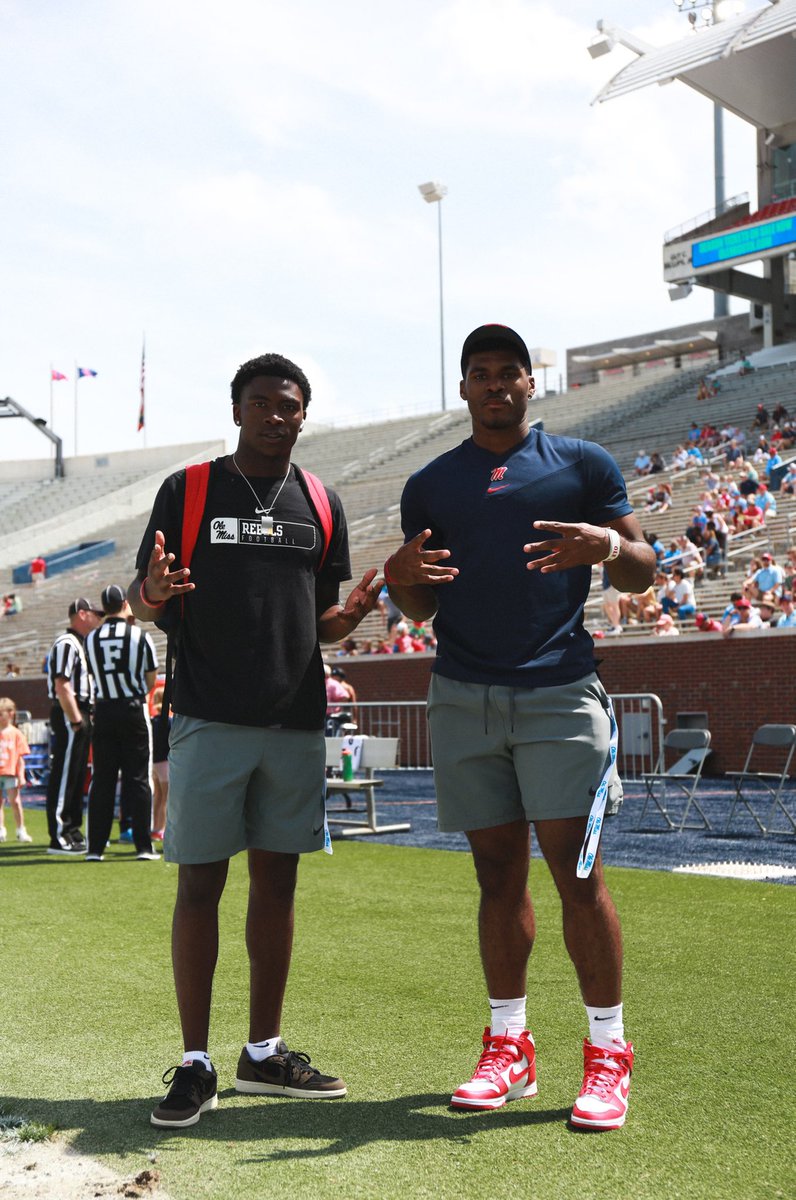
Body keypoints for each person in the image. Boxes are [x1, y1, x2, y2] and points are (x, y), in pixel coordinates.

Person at [385, 324, 655, 1131]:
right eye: (480, 373)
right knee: (497, 878)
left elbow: (644, 567)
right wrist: (399, 581)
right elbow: (421, 601)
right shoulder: (431, 484)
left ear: (531, 383)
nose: (495, 384)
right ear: (463, 389)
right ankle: (510, 1046)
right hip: (464, 694)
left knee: (577, 875)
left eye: (509, 372)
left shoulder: (580, 464)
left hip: (557, 690)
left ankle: (609, 1053)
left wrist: (606, 542)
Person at [127, 351, 381, 1129]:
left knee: (279, 886)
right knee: (199, 886)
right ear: (237, 409)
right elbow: (146, 599)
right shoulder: (190, 489)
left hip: (296, 722)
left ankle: (262, 1053)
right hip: (207, 717)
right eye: (263, 402)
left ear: (305, 415)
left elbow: (320, 623)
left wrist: (363, 609)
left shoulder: (321, 501)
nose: (278, 414)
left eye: (291, 404)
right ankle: (196, 1063)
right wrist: (154, 592)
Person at [84, 585, 159, 862]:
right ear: (125, 603)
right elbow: (151, 679)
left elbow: (92, 673)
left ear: (104, 607)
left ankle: (95, 848)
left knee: (102, 780)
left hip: (103, 710)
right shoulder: (140, 636)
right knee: (138, 778)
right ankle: (143, 846)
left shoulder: (90, 639)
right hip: (132, 709)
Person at [45, 596, 103, 855]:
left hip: (80, 713)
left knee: (77, 776)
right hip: (71, 713)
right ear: (82, 614)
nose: (98, 618)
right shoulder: (67, 643)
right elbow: (62, 684)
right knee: (66, 774)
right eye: (94, 613)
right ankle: (59, 834)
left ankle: (72, 829)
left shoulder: (80, 644)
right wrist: (76, 720)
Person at [0, 697, 32, 843]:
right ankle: (1, 829)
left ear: (11, 713)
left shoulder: (16, 734)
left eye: (2, 713)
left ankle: (20, 829)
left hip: (10, 772)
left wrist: (21, 775)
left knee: (15, 801)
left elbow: (20, 757)